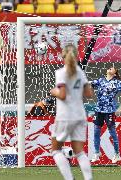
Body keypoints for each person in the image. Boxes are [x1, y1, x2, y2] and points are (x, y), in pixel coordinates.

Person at [50, 44, 93, 180]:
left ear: (63, 57)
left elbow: (62, 95)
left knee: (56, 150)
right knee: (79, 152)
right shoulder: (80, 72)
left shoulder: (61, 73)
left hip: (65, 116)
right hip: (80, 115)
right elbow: (89, 93)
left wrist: (54, 91)